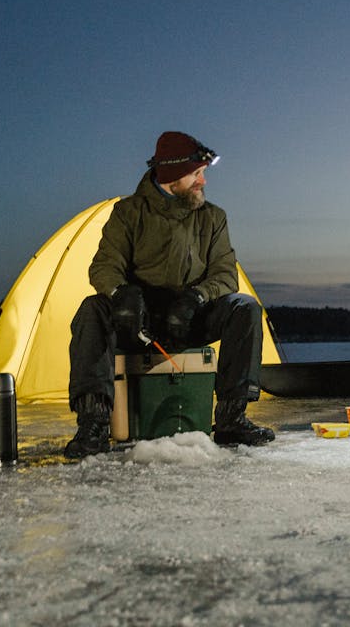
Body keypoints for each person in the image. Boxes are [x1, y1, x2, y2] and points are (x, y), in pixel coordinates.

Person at [65, 131, 275, 458]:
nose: (203, 181)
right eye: (196, 174)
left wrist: (197, 298)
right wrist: (121, 294)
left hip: (189, 317)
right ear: (172, 175)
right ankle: (93, 423)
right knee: (92, 310)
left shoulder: (213, 218)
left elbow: (225, 273)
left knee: (244, 308)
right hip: (139, 323)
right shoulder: (128, 213)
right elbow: (104, 266)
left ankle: (233, 417)